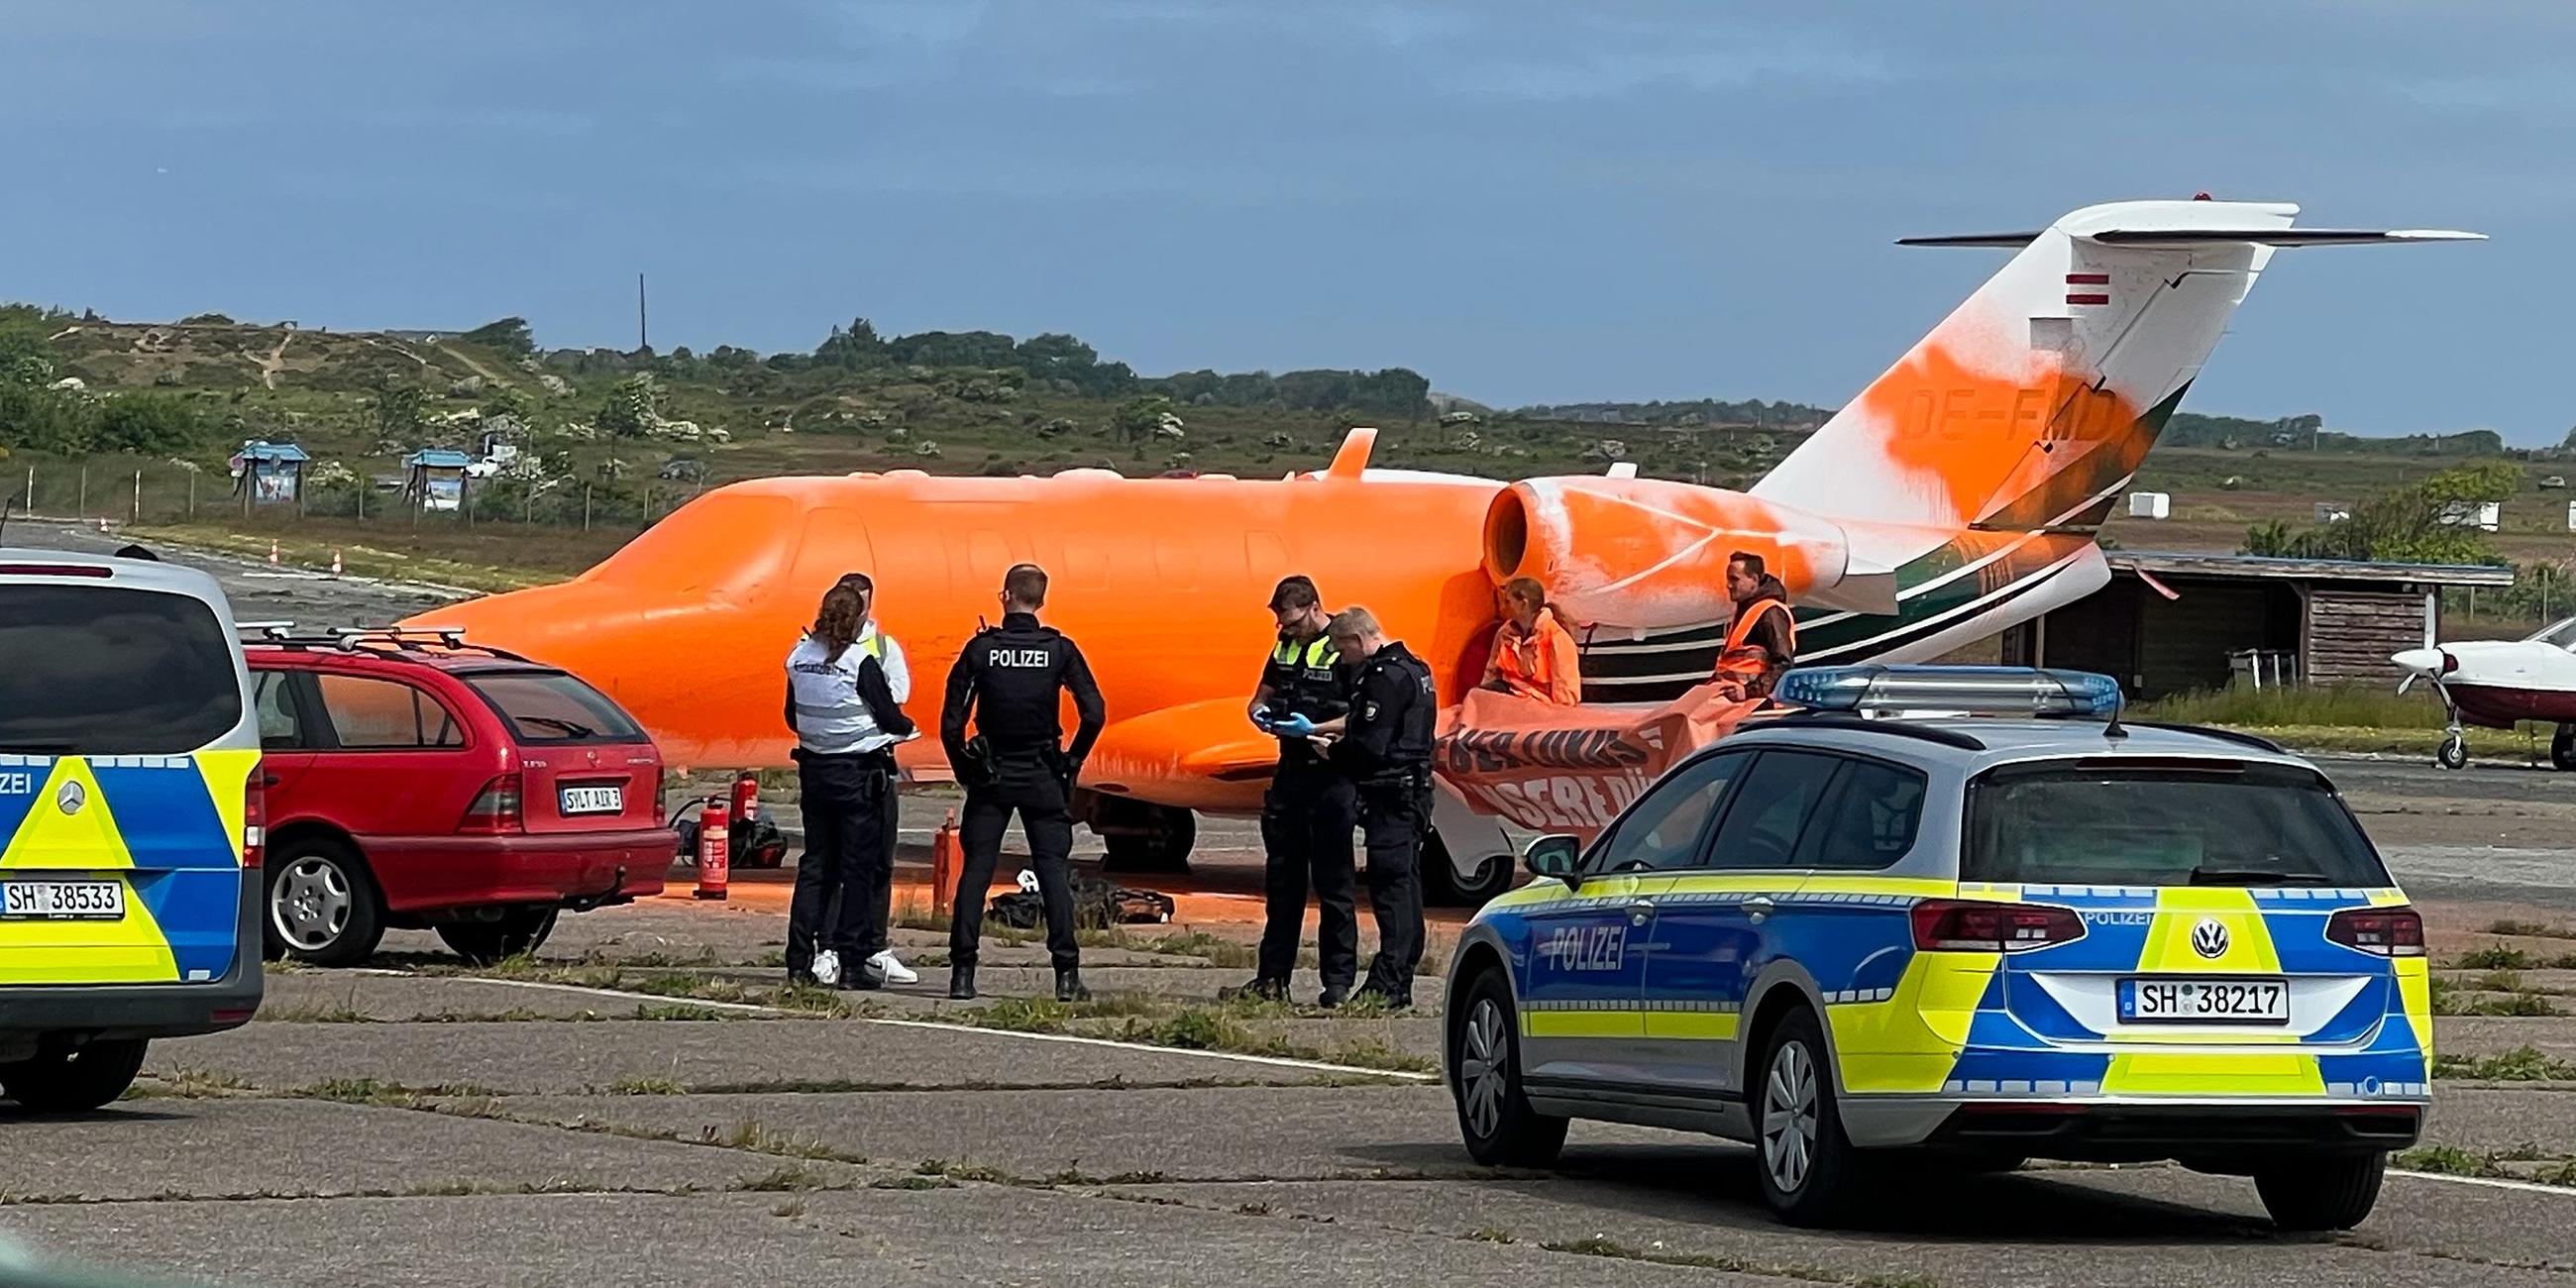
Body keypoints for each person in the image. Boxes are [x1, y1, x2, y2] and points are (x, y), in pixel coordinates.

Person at [940, 563, 1106, 1003]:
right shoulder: (1059, 650)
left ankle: (962, 973)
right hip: (1042, 772)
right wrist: (1072, 762)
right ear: (1042, 601)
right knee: (1052, 870)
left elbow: (952, 720)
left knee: (977, 870)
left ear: (1005, 596)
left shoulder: (982, 649)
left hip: (992, 774)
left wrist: (965, 768)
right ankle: (1066, 976)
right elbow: (1094, 712)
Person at [1289, 605, 1436, 1010]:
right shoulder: (1414, 668)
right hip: (1412, 790)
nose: (1340, 658)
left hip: (1392, 793)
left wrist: (1330, 752)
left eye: (1341, 649)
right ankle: (1396, 978)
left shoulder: (1383, 677)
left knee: (1391, 890)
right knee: (1406, 887)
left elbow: (1371, 746)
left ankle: (1389, 981)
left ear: (1357, 640)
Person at [782, 576, 916, 990]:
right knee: (858, 869)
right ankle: (853, 961)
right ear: (859, 619)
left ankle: (799, 960)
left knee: (815, 867)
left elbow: (791, 715)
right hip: (859, 773)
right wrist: (907, 730)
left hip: (815, 771)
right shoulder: (860, 661)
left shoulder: (798, 656)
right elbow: (890, 715)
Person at [1232, 575, 1358, 1007]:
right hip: (1290, 775)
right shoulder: (1284, 647)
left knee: (1335, 885)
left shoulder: (1344, 643)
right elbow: (1259, 696)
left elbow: (1362, 715)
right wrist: (1261, 714)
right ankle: (1272, 979)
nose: (1285, 629)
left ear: (1313, 608)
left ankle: (1338, 984)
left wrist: (1316, 729)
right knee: (1282, 883)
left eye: (1290, 620)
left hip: (1331, 775)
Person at [1480, 577, 1580, 704]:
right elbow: (1491, 674)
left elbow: (1566, 693)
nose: (1502, 607)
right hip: (1508, 698)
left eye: (1507, 602)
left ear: (1523, 604)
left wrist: (1556, 719)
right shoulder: (1504, 633)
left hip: (1539, 706)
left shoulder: (1556, 637)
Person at [1715, 551, 1796, 702]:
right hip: (1726, 695)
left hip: (1752, 701)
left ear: (1753, 579)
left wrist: (1749, 691)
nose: (1728, 585)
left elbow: (1783, 664)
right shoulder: (1744, 610)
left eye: (1734, 579)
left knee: (1692, 721)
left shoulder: (1771, 613)